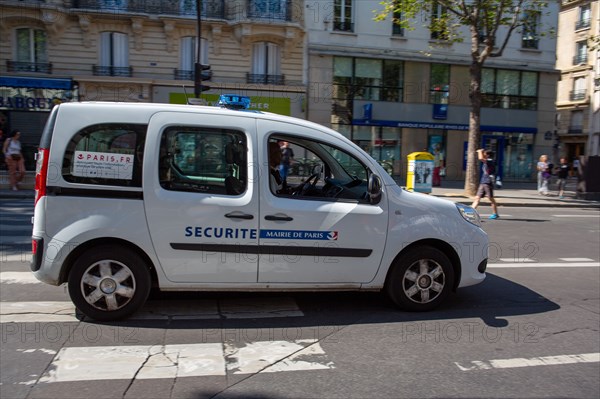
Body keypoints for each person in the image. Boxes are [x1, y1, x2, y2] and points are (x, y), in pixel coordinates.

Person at [471, 149, 499, 220]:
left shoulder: (490, 161)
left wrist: (479, 151)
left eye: (484, 153)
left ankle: (495, 214)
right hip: (483, 182)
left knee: (491, 198)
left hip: (488, 182)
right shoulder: (488, 161)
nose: (483, 154)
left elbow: (480, 158)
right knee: (477, 198)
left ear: (488, 155)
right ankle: (470, 214)